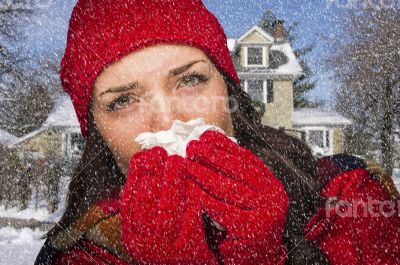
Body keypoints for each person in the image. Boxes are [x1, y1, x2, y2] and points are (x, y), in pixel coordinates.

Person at [34, 0, 399, 264]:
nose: (167, 120)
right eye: (122, 100)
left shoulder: (354, 205)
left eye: (189, 80)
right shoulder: (82, 256)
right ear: (98, 133)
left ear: (229, 92)